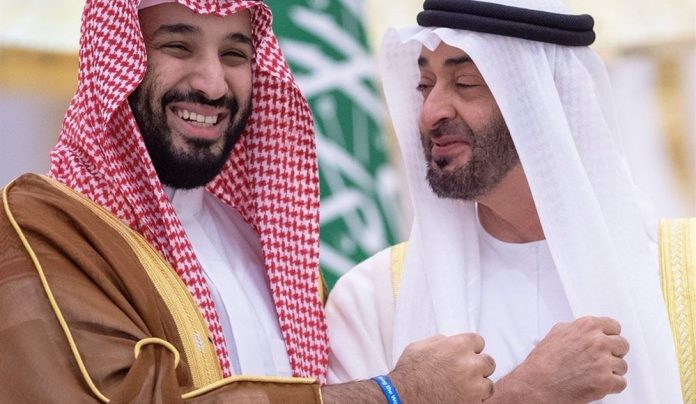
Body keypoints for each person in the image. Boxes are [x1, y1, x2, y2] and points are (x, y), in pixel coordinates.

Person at [0, 0, 496, 402]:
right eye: (178, 46)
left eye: (235, 55)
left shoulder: (260, 248)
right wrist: (392, 393)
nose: (213, 84)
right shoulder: (44, 231)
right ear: (116, 58)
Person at [326, 0, 686, 402]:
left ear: (541, 97)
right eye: (424, 86)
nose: (430, 112)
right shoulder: (374, 298)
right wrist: (525, 391)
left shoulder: (684, 272)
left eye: (465, 84)